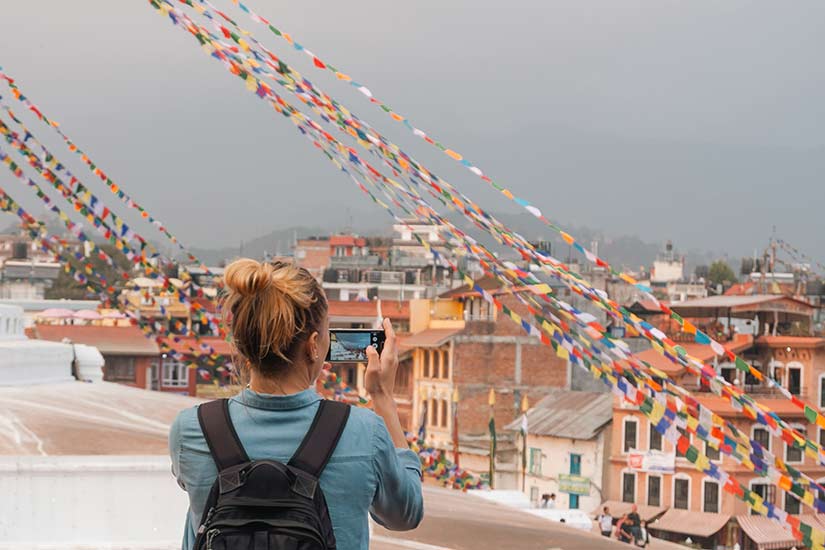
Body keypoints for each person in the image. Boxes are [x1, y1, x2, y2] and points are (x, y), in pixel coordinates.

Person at [169, 259, 424, 550]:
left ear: (242, 343)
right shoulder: (364, 432)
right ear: (314, 344)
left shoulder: (191, 429)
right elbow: (406, 513)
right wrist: (382, 397)